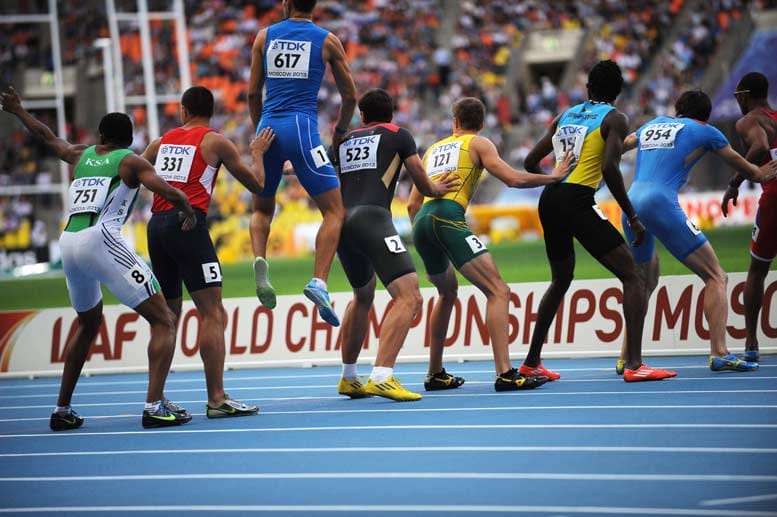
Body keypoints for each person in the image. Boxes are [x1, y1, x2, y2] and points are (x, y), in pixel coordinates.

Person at [1, 86, 196, 430]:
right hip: (102, 239)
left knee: (88, 324)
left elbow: (47, 137)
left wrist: (18, 110)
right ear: (129, 139)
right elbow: (163, 188)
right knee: (164, 319)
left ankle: (62, 410)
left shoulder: (80, 154)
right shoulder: (130, 161)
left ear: (101, 135)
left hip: (69, 242)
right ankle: (154, 405)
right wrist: (186, 208)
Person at [518, 60, 677, 383]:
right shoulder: (615, 118)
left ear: (588, 88)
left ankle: (531, 362)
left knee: (560, 279)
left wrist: (555, 176)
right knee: (634, 277)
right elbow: (609, 168)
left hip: (549, 198)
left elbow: (530, 161)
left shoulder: (565, 115)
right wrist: (632, 215)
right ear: (618, 93)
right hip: (577, 200)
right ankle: (634, 364)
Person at [407, 97, 573, 392]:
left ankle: (434, 373)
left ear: (454, 122)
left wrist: (426, 231)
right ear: (481, 124)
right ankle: (506, 373)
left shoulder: (433, 149)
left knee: (446, 293)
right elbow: (512, 179)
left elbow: (411, 204)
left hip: (421, 223)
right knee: (499, 290)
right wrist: (554, 177)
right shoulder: (479, 144)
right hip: (447, 218)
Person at [619, 90, 776, 374]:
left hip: (630, 204)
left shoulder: (652, 124)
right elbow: (748, 170)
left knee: (642, 282)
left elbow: (620, 146)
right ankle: (719, 352)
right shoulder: (706, 130)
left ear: (678, 109)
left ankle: (626, 357)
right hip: (659, 202)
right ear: (705, 114)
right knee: (716, 275)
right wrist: (763, 173)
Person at [142, 86, 273, 418]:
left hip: (156, 226)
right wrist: (258, 152)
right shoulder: (215, 141)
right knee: (212, 313)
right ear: (209, 112)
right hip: (188, 224)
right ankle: (217, 398)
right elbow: (257, 185)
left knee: (166, 318)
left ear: (184, 111)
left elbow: (133, 174)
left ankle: (154, 402)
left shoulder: (162, 141)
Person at [333, 89, 459, 401]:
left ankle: (349, 377)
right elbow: (421, 181)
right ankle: (382, 375)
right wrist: (436, 188)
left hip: (342, 223)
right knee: (410, 297)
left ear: (361, 116)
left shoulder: (344, 140)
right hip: (374, 219)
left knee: (362, 296)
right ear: (392, 113)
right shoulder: (398, 135)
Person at [247, 0, 357, 326]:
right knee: (335, 210)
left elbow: (253, 94)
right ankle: (319, 281)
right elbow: (350, 96)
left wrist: (259, 132)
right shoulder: (327, 40)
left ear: (286, 4)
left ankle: (260, 259)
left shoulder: (263, 37)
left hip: (267, 126)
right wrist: (339, 131)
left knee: (262, 209)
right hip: (301, 128)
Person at [722, 72, 777, 363]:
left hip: (775, 198)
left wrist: (734, 183)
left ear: (744, 95)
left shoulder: (748, 121)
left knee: (757, 271)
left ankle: (752, 343)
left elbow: (759, 147)